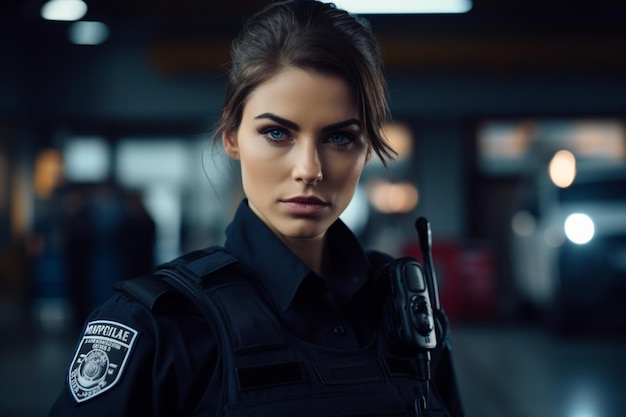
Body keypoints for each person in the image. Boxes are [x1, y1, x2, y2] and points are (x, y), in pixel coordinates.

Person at [48, 1, 464, 416]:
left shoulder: (406, 314)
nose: (309, 170)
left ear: (367, 148)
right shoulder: (160, 327)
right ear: (232, 136)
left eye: (339, 138)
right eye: (277, 133)